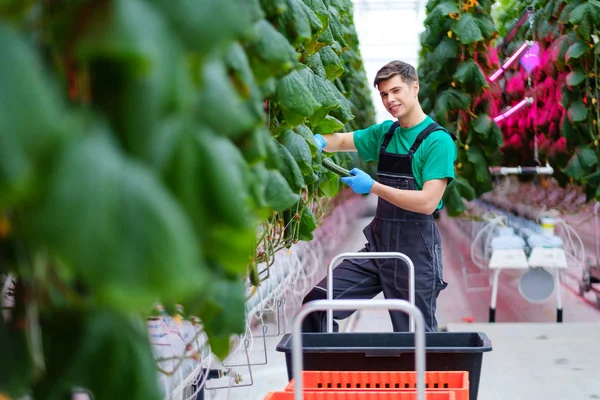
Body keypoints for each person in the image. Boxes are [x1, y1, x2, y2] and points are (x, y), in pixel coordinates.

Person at [302, 60, 457, 333]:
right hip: (378, 249)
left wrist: (373, 187)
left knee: (416, 339)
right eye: (384, 94)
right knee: (317, 304)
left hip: (415, 255)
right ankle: (329, 373)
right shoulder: (385, 134)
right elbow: (341, 141)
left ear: (415, 87)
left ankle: (421, 376)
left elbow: (427, 202)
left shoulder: (437, 142)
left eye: (396, 90)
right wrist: (317, 141)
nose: (390, 100)